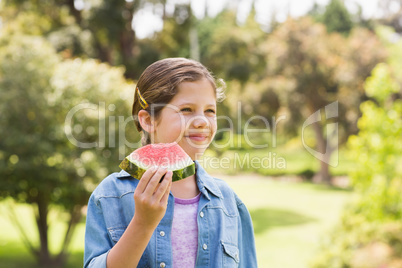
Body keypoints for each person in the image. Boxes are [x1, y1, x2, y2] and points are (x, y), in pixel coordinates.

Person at [84, 58, 257, 268]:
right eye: (186, 110)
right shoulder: (110, 195)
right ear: (148, 120)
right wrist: (143, 223)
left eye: (210, 111)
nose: (202, 121)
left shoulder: (229, 202)